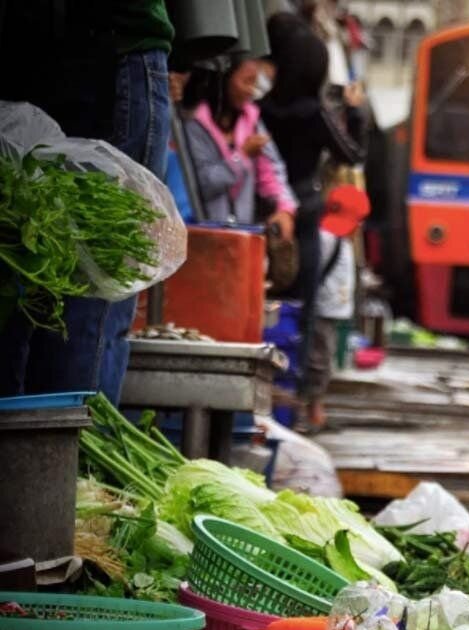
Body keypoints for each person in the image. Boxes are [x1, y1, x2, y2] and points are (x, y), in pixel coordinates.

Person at [0, 1, 173, 401]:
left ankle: (57, 458)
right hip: (73, 46)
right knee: (67, 293)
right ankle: (60, 459)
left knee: (73, 290)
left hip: (87, 45)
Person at [258, 18, 367, 390]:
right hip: (303, 208)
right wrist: (354, 113)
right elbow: (351, 154)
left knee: (260, 295)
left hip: (263, 207)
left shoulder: (261, 109)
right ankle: (292, 388)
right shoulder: (315, 113)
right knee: (302, 302)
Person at [182, 59, 297, 234]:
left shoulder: (251, 119)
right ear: (224, 79)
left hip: (243, 234)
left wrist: (285, 208)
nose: (251, 90)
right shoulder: (194, 124)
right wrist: (241, 156)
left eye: (254, 82)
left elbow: (271, 170)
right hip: (205, 235)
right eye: (246, 81)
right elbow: (203, 184)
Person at [305, 185, 370, 432]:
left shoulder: (337, 238)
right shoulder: (327, 238)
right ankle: (313, 412)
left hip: (330, 310)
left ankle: (315, 409)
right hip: (323, 309)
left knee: (323, 360)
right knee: (319, 362)